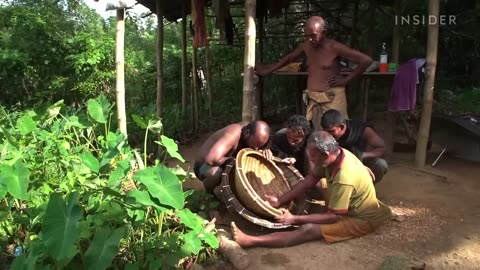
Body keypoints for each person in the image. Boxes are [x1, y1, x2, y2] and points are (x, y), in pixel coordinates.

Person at [231, 131, 391, 248]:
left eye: (313, 157)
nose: (312, 160)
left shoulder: (344, 178)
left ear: (326, 155)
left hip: (361, 218)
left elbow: (332, 217)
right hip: (349, 203)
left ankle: (250, 241)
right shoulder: (338, 154)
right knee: (319, 184)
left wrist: (294, 219)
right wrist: (280, 199)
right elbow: (309, 180)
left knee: (308, 229)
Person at [255, 16, 372, 130]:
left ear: (324, 33)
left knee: (336, 131)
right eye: (307, 36)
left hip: (333, 98)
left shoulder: (335, 47)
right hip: (314, 98)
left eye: (313, 36)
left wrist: (346, 80)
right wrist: (268, 70)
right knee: (319, 133)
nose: (310, 39)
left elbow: (366, 61)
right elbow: (289, 58)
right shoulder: (307, 45)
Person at [194, 121, 272, 193]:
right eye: (255, 144)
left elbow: (255, 151)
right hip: (203, 166)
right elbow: (211, 160)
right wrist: (236, 160)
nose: (256, 148)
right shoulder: (234, 133)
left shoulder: (252, 135)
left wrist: (263, 153)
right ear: (247, 133)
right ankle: (208, 194)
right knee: (216, 173)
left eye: (259, 146)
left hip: (223, 162)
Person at [321, 109, 388, 183]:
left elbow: (382, 148)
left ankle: (366, 189)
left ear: (342, 127)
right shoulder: (325, 135)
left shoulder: (362, 130)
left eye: (331, 131)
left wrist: (362, 155)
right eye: (326, 131)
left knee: (380, 164)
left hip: (360, 162)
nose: (328, 135)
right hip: (337, 164)